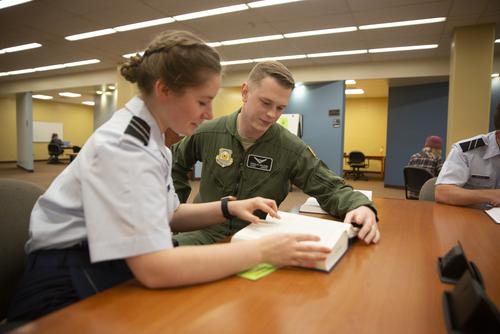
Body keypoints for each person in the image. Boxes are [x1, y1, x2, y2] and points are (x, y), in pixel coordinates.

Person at [7, 31, 332, 322]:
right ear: (164, 90)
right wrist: (263, 252)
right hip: (65, 282)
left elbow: (168, 214)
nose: (209, 114)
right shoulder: (125, 147)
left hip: (105, 261)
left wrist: (229, 207)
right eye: (202, 101)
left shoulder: (152, 140)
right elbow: (154, 269)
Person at [171, 61, 380, 246]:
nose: (272, 114)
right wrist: (173, 210)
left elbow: (329, 187)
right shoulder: (209, 132)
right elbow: (174, 164)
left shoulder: (290, 148)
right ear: (245, 92)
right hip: (202, 233)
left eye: (280, 107)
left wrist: (360, 205)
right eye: (265, 102)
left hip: (254, 238)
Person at [435, 104, 500, 208]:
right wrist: (491, 195)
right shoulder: (467, 151)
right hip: (472, 218)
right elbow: (443, 192)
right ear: (499, 135)